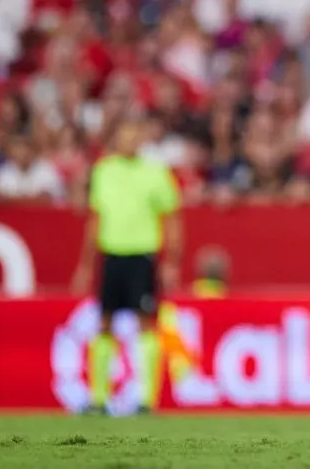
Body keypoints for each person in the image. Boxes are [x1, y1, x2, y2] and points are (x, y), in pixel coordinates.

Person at [71, 119, 183, 414]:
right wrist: (84, 265)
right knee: (104, 323)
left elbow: (171, 219)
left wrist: (171, 261)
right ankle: (99, 399)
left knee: (146, 323)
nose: (130, 140)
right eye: (125, 134)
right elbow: (94, 220)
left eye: (135, 134)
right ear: (116, 139)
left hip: (142, 256)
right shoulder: (104, 171)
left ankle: (147, 400)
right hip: (111, 255)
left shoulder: (156, 173)